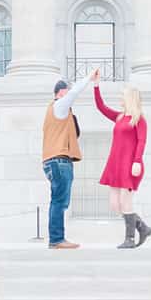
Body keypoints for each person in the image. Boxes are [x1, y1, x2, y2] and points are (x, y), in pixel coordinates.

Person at [94, 75, 151, 249]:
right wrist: (96, 86)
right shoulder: (119, 117)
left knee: (126, 202)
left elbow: (142, 141)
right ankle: (143, 227)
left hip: (130, 165)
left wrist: (137, 161)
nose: (120, 99)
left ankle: (130, 238)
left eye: (122, 96)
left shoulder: (139, 119)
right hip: (115, 164)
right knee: (115, 205)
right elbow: (101, 107)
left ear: (130, 99)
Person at [41, 69, 97, 250]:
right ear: (62, 92)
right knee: (60, 201)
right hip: (59, 161)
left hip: (52, 161)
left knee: (56, 201)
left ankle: (56, 239)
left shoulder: (55, 110)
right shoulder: (60, 105)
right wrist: (90, 77)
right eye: (68, 91)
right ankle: (57, 239)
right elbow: (75, 92)